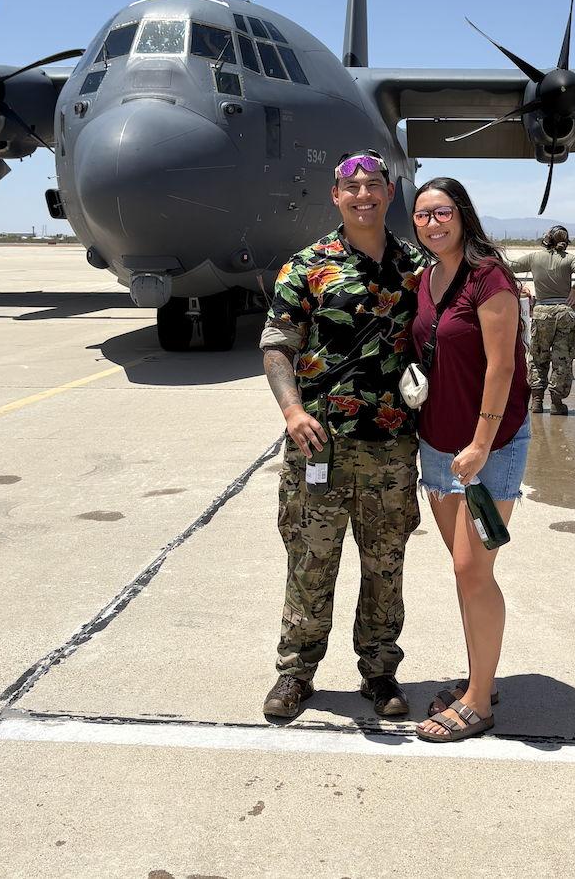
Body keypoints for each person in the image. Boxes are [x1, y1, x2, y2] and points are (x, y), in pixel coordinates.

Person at [258, 150, 426, 721]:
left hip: (392, 447)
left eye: (374, 185)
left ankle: (379, 672)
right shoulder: (307, 266)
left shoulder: (417, 266)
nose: (363, 195)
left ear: (389, 192)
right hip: (318, 444)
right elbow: (278, 346)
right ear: (336, 196)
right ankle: (295, 673)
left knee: (386, 563)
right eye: (351, 187)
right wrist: (291, 411)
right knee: (310, 559)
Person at [409, 177, 530, 742]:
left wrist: (481, 445)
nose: (433, 222)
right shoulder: (426, 279)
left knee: (471, 571)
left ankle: (479, 700)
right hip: (438, 449)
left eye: (443, 212)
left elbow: (501, 367)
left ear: (463, 215)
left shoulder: (489, 277)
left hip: (489, 448)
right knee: (465, 576)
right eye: (423, 215)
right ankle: (479, 679)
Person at [508, 225, 575, 415]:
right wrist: (574, 289)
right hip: (565, 313)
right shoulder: (570, 259)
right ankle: (556, 403)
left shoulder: (534, 257)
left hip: (541, 313)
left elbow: (509, 267)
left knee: (538, 357)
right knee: (562, 358)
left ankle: (536, 401)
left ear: (547, 239)